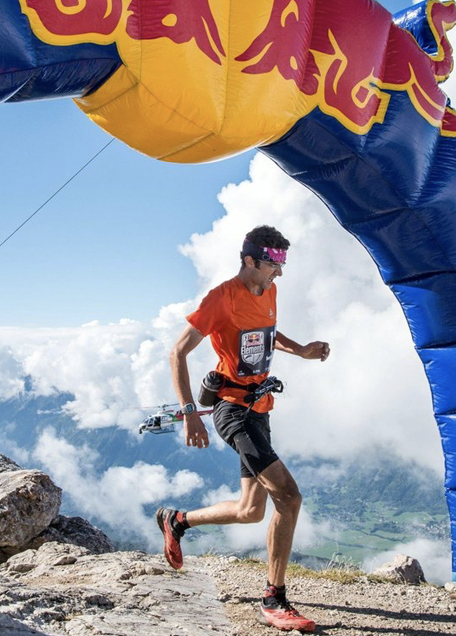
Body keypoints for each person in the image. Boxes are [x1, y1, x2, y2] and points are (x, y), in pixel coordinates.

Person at [155, 225, 329, 633]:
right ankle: (273, 599)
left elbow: (268, 335)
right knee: (289, 497)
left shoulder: (268, 290)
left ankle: (177, 521)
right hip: (233, 410)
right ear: (250, 260)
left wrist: (301, 350)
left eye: (282, 265)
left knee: (251, 511)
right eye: (273, 264)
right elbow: (177, 352)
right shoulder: (221, 298)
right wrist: (189, 413)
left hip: (260, 408)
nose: (279, 273)